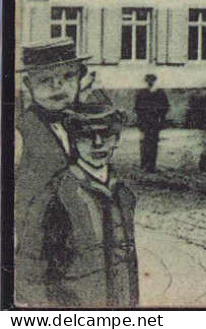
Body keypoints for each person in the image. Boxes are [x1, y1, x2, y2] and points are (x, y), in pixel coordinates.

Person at [15, 99, 139, 307]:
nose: (98, 143)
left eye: (106, 134)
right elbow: (30, 269)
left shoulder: (124, 194)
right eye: (86, 135)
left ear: (116, 139)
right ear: (73, 140)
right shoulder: (56, 195)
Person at [14, 38, 92, 199]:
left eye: (68, 76)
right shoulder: (20, 133)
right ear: (29, 84)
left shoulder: (83, 124)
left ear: (79, 78)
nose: (57, 86)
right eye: (45, 80)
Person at [133, 74, 169, 173]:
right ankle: (144, 164)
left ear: (154, 81)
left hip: (154, 122)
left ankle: (151, 165)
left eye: (152, 81)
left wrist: (161, 119)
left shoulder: (160, 93)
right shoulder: (141, 93)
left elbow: (165, 107)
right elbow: (137, 108)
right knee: (144, 143)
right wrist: (139, 121)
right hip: (144, 122)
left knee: (153, 143)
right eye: (148, 81)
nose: (150, 82)